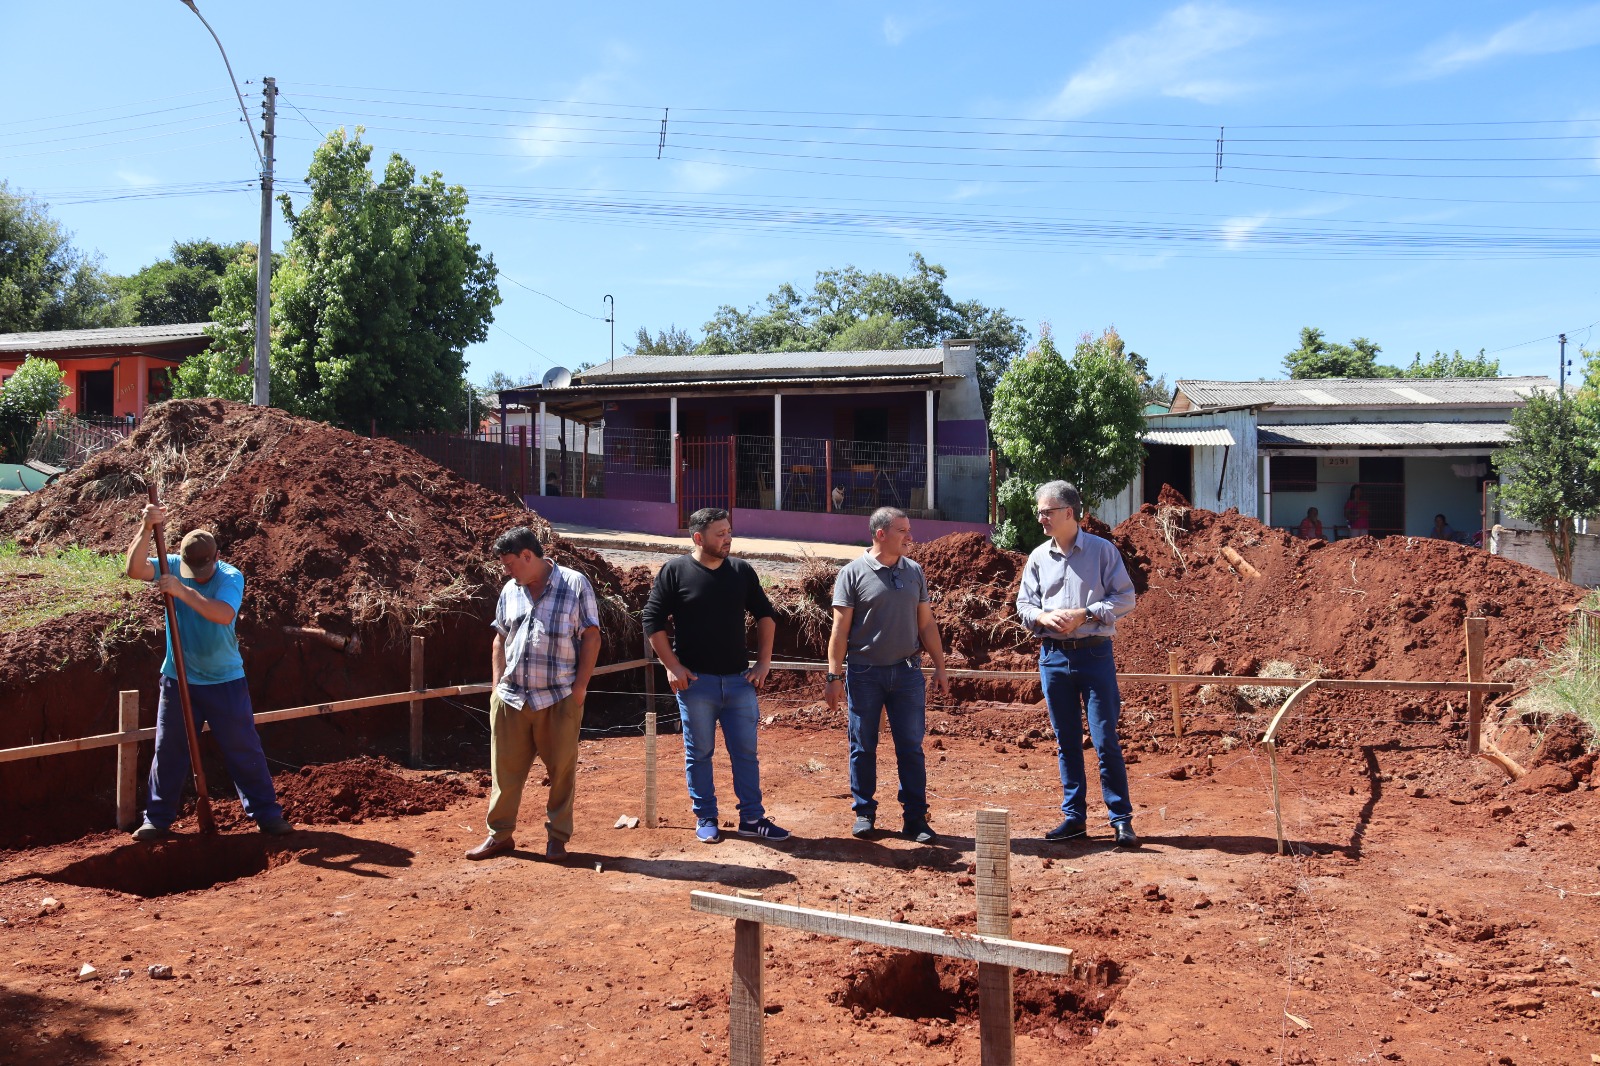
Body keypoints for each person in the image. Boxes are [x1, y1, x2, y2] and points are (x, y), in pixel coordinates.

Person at [123, 505, 291, 839]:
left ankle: (267, 814)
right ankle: (157, 819)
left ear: (217, 557)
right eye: (191, 569)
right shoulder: (172, 565)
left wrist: (181, 591)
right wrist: (145, 528)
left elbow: (222, 614)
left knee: (242, 747)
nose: (197, 574)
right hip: (178, 677)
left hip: (224, 680)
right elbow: (134, 569)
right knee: (169, 749)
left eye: (202, 568)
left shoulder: (230, 577)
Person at [643, 508, 789, 844]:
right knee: (699, 753)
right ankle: (706, 816)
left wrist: (763, 663)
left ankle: (752, 818)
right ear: (698, 538)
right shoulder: (675, 572)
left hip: (740, 682)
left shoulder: (740, 571)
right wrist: (672, 666)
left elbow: (766, 615)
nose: (728, 538)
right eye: (720, 533)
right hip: (697, 685)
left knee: (746, 754)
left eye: (729, 531)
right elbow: (652, 620)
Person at [465, 526, 600, 862]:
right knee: (504, 773)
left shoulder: (574, 584)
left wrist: (579, 690)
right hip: (511, 699)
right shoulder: (510, 590)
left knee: (561, 774)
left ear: (528, 556)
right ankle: (499, 836)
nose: (506, 571)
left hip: (558, 698)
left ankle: (557, 838)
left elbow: (592, 637)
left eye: (510, 563)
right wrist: (497, 688)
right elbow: (499, 638)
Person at [1016, 481, 1139, 848]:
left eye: (1046, 512)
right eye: (1039, 511)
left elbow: (1126, 598)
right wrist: (1043, 618)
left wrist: (1084, 613)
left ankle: (1120, 820)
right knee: (1066, 740)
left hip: (1094, 654)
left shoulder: (1102, 552)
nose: (1040, 518)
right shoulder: (1037, 557)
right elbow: (1024, 607)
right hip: (1052, 657)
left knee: (1105, 740)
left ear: (1069, 512)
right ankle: (1075, 819)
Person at [825, 507, 950, 844]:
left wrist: (939, 666)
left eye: (909, 529)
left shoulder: (914, 572)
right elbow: (840, 631)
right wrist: (833, 677)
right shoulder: (852, 574)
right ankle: (865, 813)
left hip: (908, 673)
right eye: (903, 531)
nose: (911, 537)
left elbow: (926, 623)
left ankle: (914, 818)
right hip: (864, 674)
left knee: (911, 746)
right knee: (862, 745)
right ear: (881, 534)